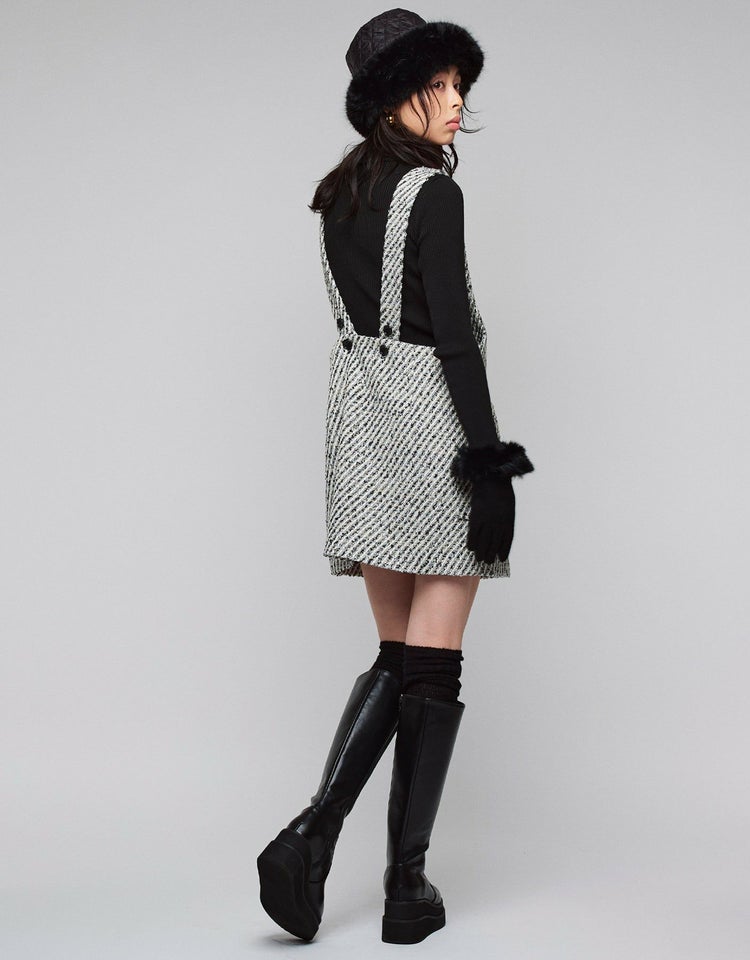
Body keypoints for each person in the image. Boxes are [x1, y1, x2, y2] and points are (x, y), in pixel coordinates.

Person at [256, 8, 534, 945]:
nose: (456, 103)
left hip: (363, 438)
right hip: (432, 435)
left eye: (460, 86)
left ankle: (311, 834)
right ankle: (403, 887)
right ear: (392, 97)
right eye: (437, 86)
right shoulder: (433, 195)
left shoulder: (338, 194)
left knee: (396, 655)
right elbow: (453, 340)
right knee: (434, 664)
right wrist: (489, 464)